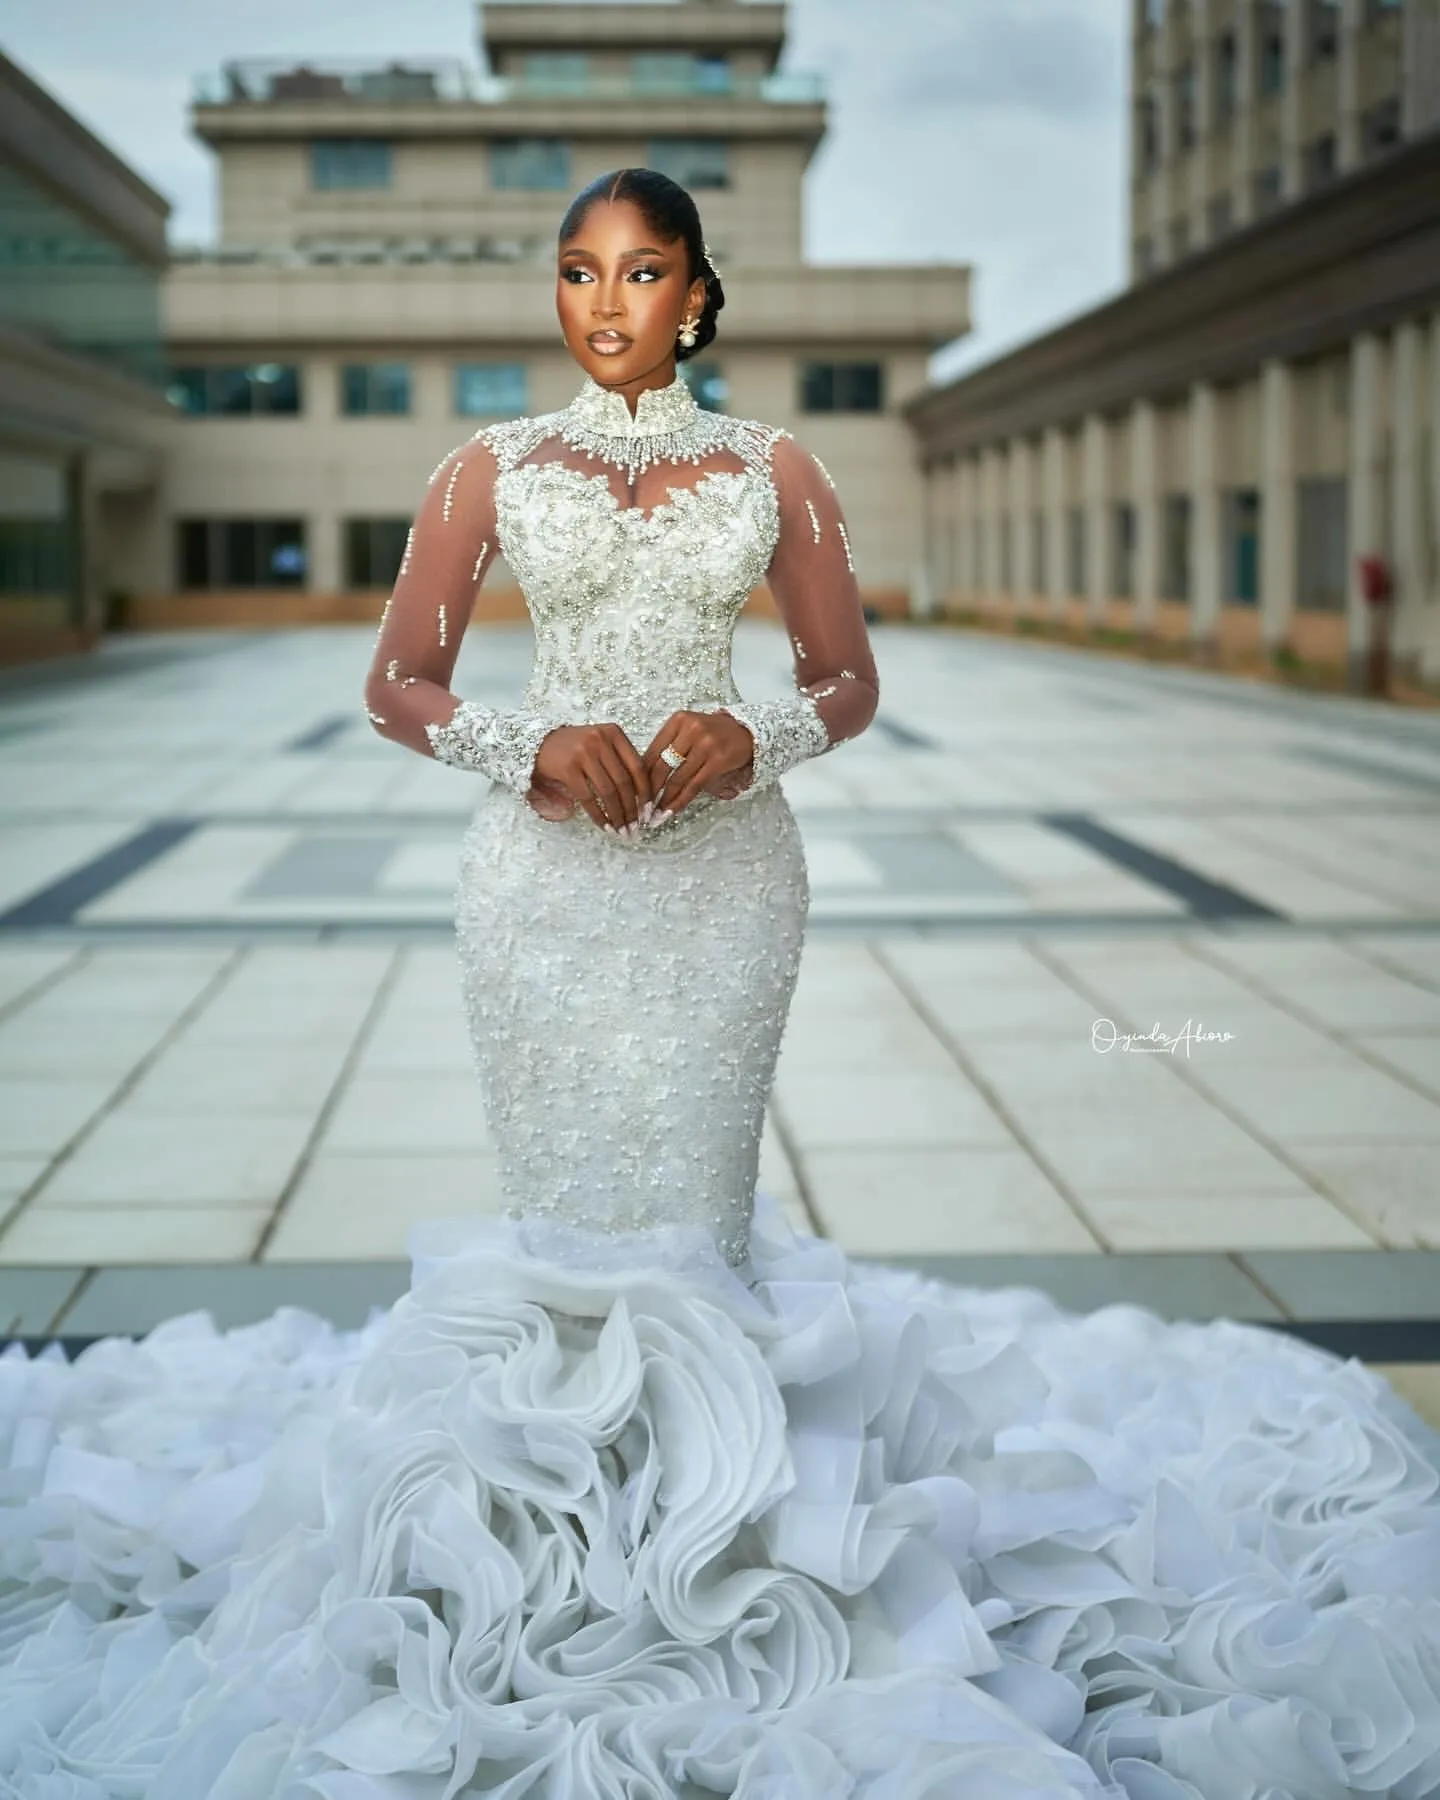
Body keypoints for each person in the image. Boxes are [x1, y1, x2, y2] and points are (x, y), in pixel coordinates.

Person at [0, 171, 1436, 1800]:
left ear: (697, 296)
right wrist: (524, 742)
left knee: (695, 1220)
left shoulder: (780, 469)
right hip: (536, 898)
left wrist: (765, 733)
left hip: (727, 895)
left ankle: (721, 1576)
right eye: (577, 274)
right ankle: (541, 1575)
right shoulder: (484, 468)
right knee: (562, 1228)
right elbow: (399, 681)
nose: (607, 305)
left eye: (644, 272)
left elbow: (849, 674)